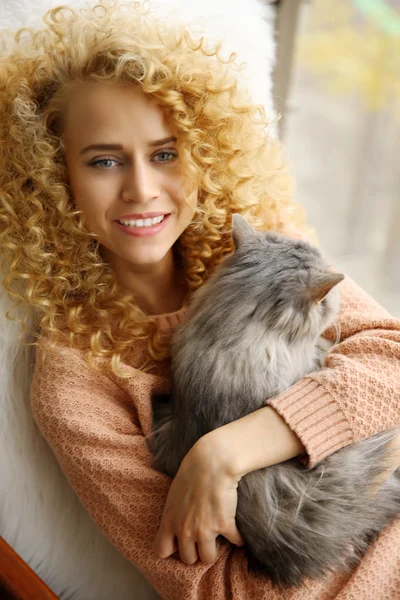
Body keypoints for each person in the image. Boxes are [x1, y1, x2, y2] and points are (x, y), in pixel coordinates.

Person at [0, 2, 399, 599]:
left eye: (165, 153)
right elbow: (221, 588)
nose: (141, 190)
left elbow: (390, 357)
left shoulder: (255, 248)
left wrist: (224, 451)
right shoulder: (77, 385)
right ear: (56, 180)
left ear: (202, 155)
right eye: (104, 161)